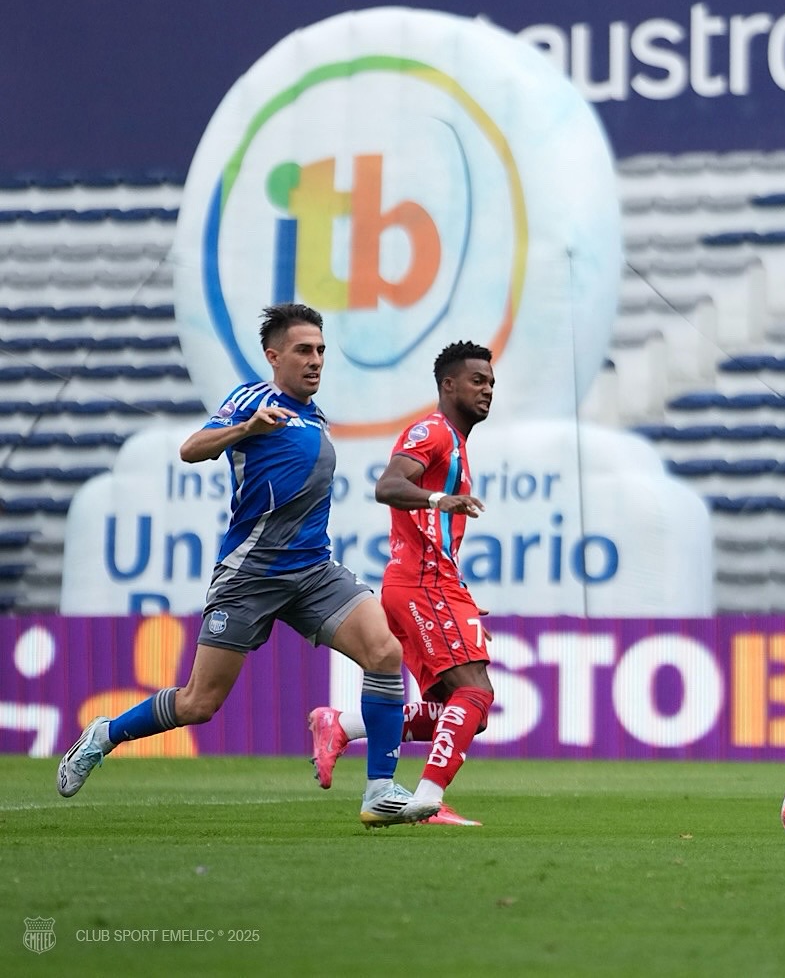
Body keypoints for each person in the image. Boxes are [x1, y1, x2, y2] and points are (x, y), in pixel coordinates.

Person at [57, 302, 412, 830]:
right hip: (251, 575)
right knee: (199, 703)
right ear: (273, 356)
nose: (315, 361)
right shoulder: (253, 399)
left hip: (314, 571)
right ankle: (104, 735)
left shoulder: (315, 415)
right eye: (303, 351)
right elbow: (191, 449)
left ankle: (381, 790)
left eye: (320, 351)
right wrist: (245, 428)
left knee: (384, 651)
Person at [308, 339, 495, 827]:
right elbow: (387, 486)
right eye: (478, 380)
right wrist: (438, 500)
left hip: (435, 584)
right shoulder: (432, 432)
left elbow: (436, 541)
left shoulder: (454, 443)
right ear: (447, 385)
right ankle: (426, 798)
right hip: (421, 584)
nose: (488, 389)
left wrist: (466, 606)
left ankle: (342, 725)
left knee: (463, 711)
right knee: (474, 694)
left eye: (492, 382)